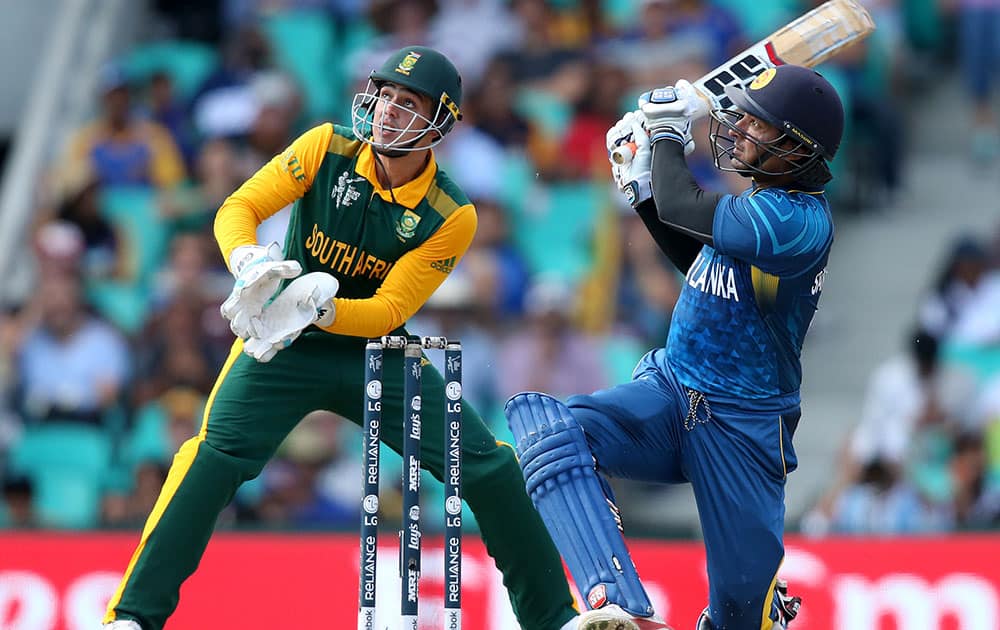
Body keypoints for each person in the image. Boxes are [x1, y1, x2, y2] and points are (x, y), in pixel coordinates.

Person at [103, 46, 580, 630]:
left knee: (487, 469)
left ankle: (555, 618)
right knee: (209, 459)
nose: (387, 111)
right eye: (384, 96)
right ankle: (131, 617)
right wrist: (249, 260)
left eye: (408, 103)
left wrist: (319, 309)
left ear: (440, 123)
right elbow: (241, 205)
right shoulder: (325, 146)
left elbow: (388, 309)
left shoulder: (451, 212)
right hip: (281, 344)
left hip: (372, 351)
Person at [505, 64, 845, 630]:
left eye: (759, 126)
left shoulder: (797, 221)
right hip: (672, 388)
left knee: (741, 618)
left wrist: (665, 135)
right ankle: (614, 606)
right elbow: (700, 264)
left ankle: (764, 606)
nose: (741, 130)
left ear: (797, 148)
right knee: (547, 430)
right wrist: (642, 191)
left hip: (742, 425)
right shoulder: (759, 207)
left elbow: (684, 205)